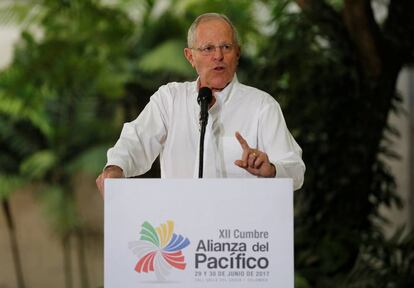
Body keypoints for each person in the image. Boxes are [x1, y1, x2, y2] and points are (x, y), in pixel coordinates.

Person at [96, 13, 305, 195]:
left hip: (239, 235)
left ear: (238, 53)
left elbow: (295, 170)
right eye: (207, 48)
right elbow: (136, 141)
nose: (218, 56)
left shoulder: (262, 106)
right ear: (190, 56)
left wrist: (271, 169)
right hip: (178, 230)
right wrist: (115, 168)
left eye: (226, 47)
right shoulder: (170, 99)